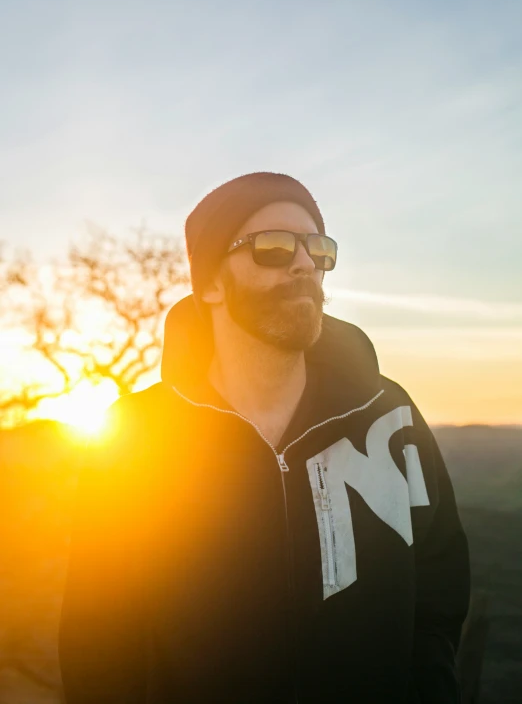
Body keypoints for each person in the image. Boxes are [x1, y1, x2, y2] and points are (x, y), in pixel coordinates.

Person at [59, 172, 471, 703]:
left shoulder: (389, 416)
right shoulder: (136, 441)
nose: (304, 263)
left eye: (318, 249)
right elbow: (99, 642)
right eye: (272, 248)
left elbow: (439, 590)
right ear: (209, 284)